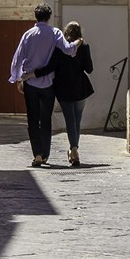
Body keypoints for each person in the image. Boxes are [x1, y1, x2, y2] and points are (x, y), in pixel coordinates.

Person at [9, 4, 80, 167]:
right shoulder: (55, 33)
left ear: (36, 16)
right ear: (49, 17)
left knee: (32, 119)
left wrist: (17, 78)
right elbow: (68, 50)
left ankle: (38, 155)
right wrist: (78, 42)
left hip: (30, 83)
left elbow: (17, 58)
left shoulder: (28, 34)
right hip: (48, 83)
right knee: (45, 119)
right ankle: (46, 153)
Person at [34, 20, 93, 166]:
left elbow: (50, 67)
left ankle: (74, 149)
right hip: (80, 88)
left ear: (66, 32)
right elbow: (89, 68)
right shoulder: (84, 47)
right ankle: (74, 150)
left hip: (63, 89)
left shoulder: (59, 48)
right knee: (77, 120)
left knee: (70, 120)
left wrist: (34, 74)